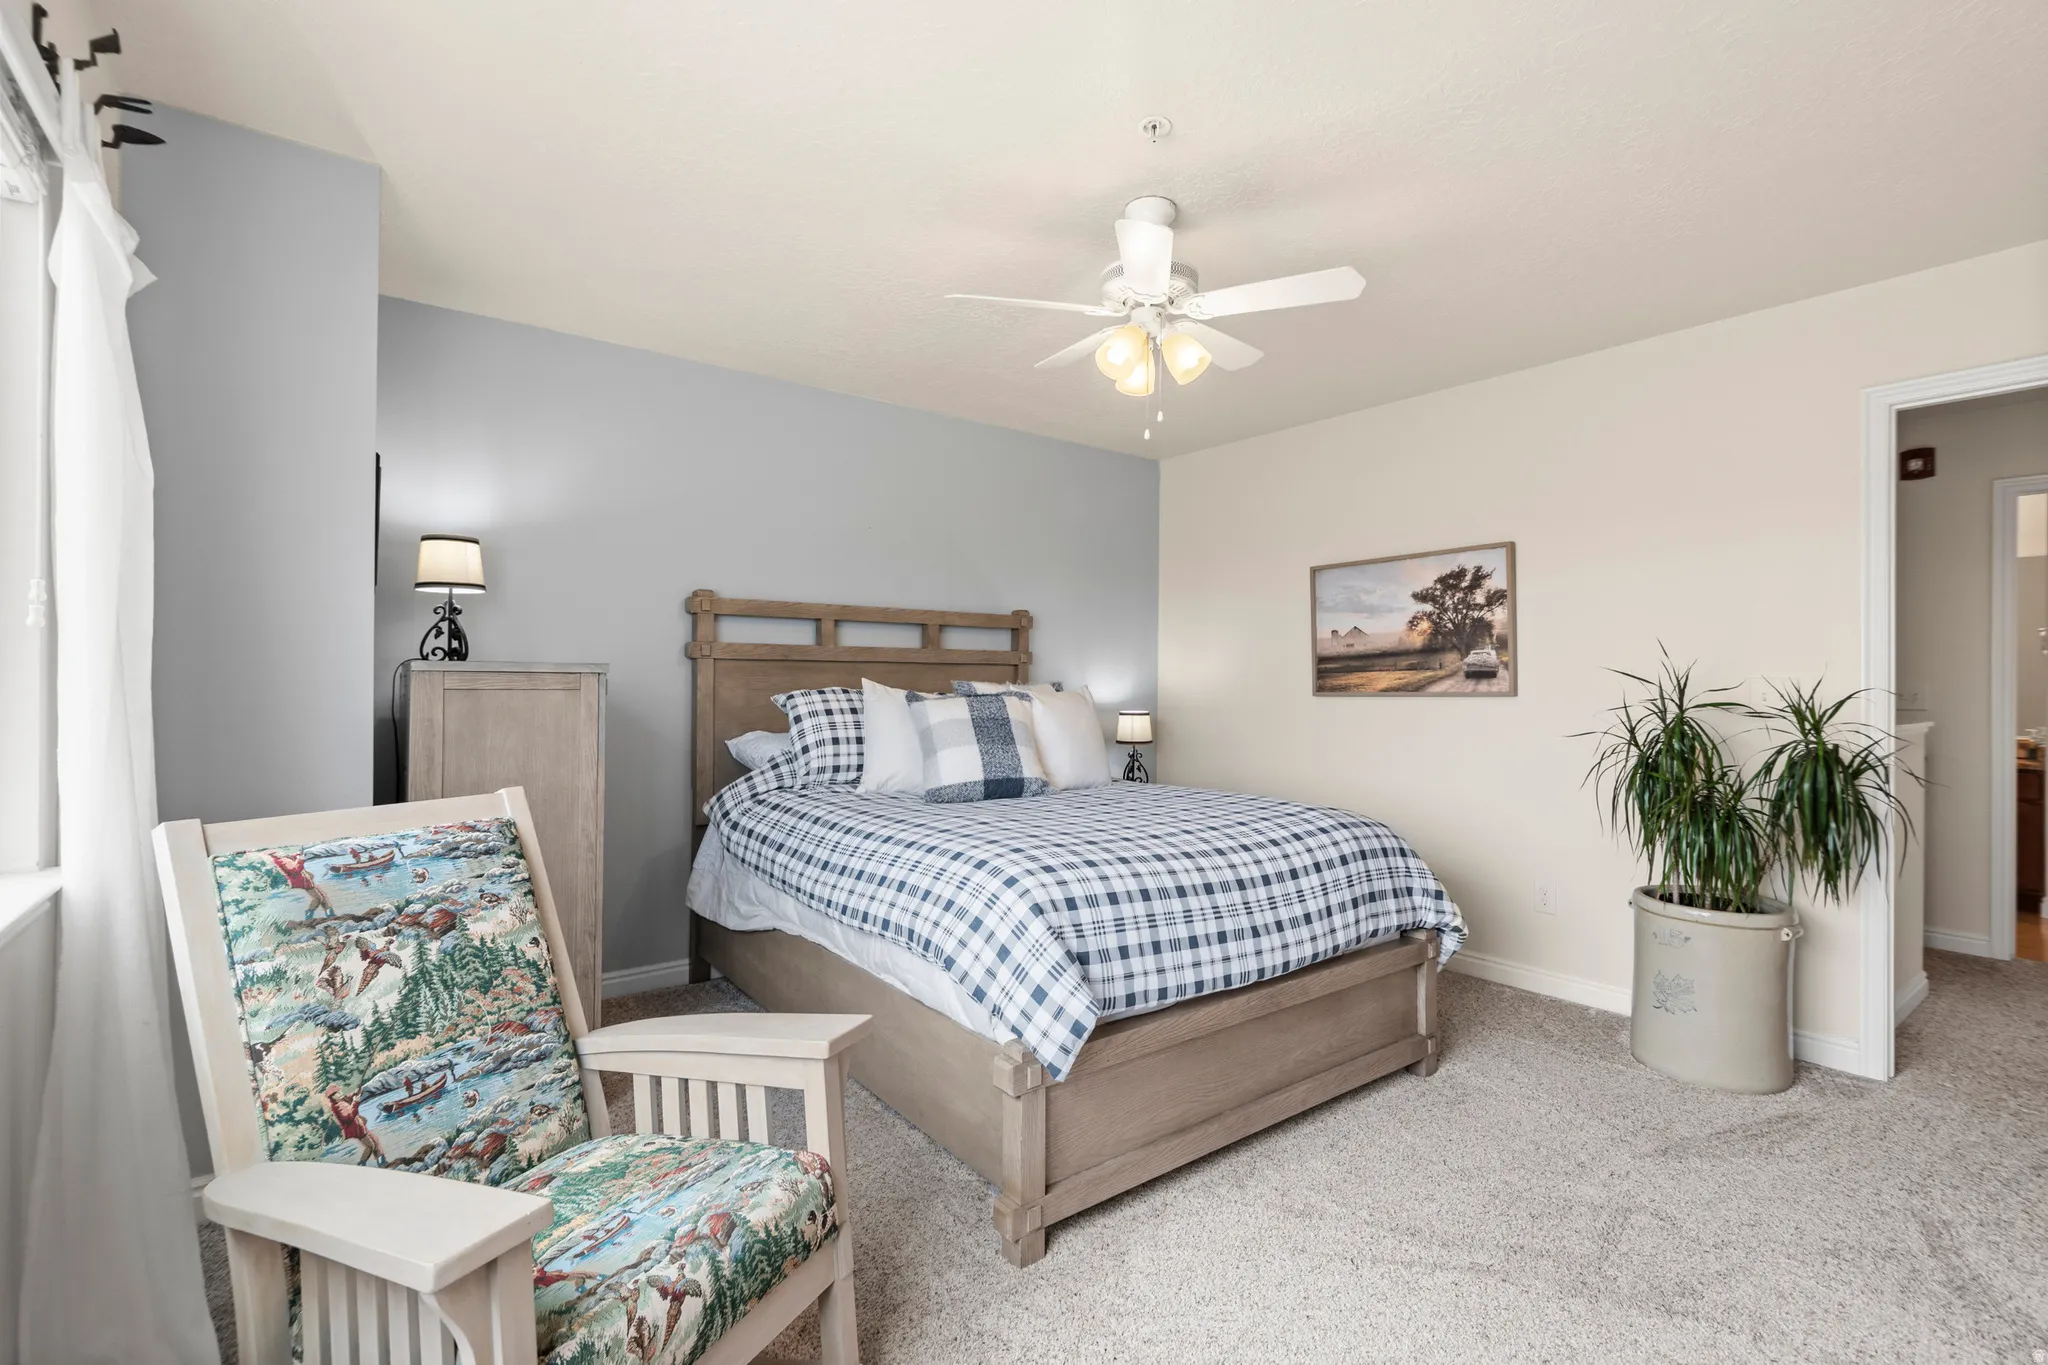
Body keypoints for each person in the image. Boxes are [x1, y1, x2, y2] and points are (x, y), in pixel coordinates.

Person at [323, 1085, 385, 1165]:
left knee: (375, 1139)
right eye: (338, 1093)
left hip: (359, 1125)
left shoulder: (341, 1100)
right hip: (355, 1129)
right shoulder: (337, 1106)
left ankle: (381, 1161)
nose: (341, 1093)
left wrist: (356, 1092)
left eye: (340, 1091)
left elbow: (350, 1096)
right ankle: (362, 1164)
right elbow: (349, 1117)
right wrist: (356, 1102)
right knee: (370, 1145)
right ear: (333, 1097)